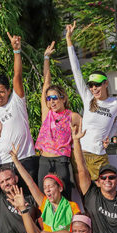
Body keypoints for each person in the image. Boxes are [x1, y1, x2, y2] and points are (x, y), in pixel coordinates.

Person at [66, 21, 117, 180]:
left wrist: (111, 136)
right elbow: (76, 71)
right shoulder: (88, 98)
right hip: (81, 153)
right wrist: (69, 41)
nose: (94, 89)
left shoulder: (116, 103)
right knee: (85, 197)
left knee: (103, 194)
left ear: (106, 83)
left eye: (97, 85)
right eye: (91, 86)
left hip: (100, 155)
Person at [10, 144, 80, 233]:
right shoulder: (44, 204)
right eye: (45, 187)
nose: (47, 189)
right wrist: (15, 161)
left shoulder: (72, 206)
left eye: (50, 186)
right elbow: (30, 183)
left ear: (59, 188)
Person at [0, 33, 37, 180]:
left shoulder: (17, 101)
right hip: (3, 163)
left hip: (25, 159)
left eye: (2, 92)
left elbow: (17, 75)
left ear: (9, 91)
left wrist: (16, 51)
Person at [35, 41, 82, 196]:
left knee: (64, 195)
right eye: (49, 99)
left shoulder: (72, 116)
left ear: (63, 98)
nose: (51, 101)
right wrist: (46, 58)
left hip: (62, 160)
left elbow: (84, 134)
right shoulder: (46, 112)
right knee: (44, 196)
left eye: (55, 98)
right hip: (44, 160)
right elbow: (46, 83)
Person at [0, 123, 36, 233]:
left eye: (8, 179)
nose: (6, 183)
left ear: (16, 178)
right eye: (2, 182)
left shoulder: (30, 199)